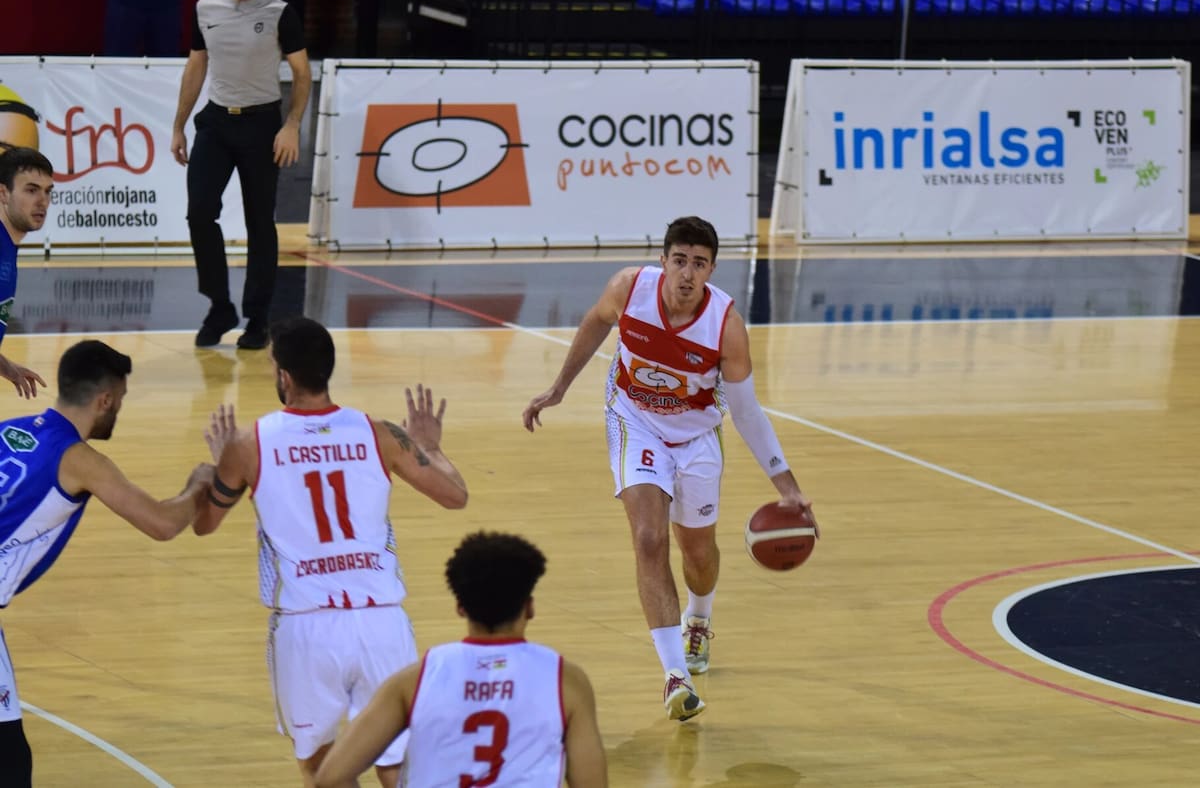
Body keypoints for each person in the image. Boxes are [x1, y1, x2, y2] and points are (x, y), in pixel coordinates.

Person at [522, 215, 818, 721]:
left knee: (697, 552)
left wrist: (786, 485)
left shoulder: (726, 326)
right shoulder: (629, 288)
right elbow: (596, 321)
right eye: (679, 260)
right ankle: (675, 676)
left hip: (697, 436)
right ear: (663, 261)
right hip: (635, 422)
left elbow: (747, 412)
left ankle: (698, 619)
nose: (687, 272)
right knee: (648, 538)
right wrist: (559, 387)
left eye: (699, 264)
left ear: (711, 270)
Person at [195, 316, 469, 788]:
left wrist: (224, 467)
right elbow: (455, 496)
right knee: (398, 766)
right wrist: (430, 447)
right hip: (382, 624)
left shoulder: (248, 444)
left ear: (284, 376)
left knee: (324, 769)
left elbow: (204, 523)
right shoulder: (381, 434)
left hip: (306, 628)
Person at [0, 339, 213, 785]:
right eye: (121, 400)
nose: (119, 409)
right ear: (105, 400)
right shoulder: (80, 460)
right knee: (10, 765)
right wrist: (198, 485)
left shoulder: (9, 431)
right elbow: (161, 523)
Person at [313, 531, 608, 788]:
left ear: (460, 607)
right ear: (529, 608)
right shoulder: (565, 681)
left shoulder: (413, 681)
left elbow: (331, 777)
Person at [171, 0, 311, 351]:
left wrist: (292, 124)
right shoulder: (205, 9)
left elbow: (302, 73)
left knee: (259, 223)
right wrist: (179, 126)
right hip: (215, 122)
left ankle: (258, 318)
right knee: (199, 213)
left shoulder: (280, 12)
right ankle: (220, 307)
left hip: (262, 124)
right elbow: (196, 67)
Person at [0, 148, 54, 399]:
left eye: (47, 191)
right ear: (3, 193)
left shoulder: (7, 248)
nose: (42, 201)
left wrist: (5, 366)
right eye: (31, 190)